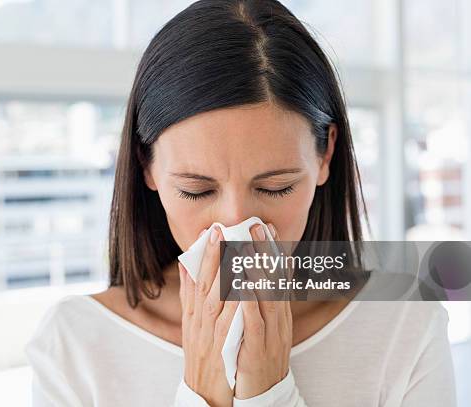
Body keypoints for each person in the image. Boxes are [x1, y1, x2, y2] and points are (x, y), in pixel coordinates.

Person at [25, 0, 456, 405]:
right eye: (197, 190)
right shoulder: (76, 343)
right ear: (146, 166)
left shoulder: (403, 323)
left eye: (276, 188)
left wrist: (270, 393)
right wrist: (201, 391)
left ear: (325, 157)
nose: (235, 224)